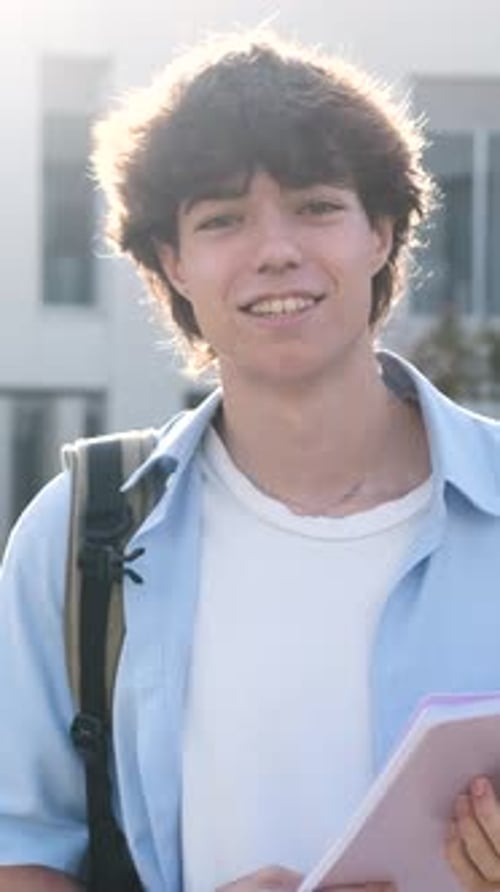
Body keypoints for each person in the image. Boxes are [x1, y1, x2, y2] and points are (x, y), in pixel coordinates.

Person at [1, 28, 500, 892]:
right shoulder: (78, 536)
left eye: (316, 206)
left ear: (381, 233)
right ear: (173, 262)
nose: (275, 250)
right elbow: (21, 854)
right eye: (222, 219)